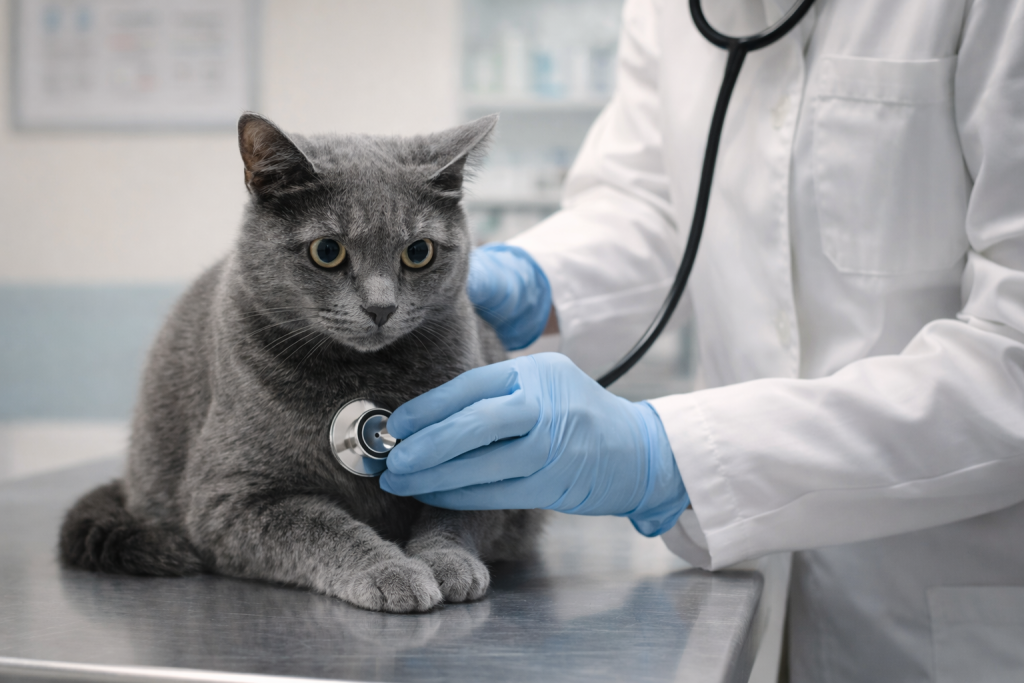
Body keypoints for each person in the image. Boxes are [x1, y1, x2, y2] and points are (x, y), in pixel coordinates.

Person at [380, 1, 1024, 680]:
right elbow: (655, 203)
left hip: (944, 611)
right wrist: (536, 277)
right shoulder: (669, 11)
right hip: (744, 594)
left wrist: (669, 453)